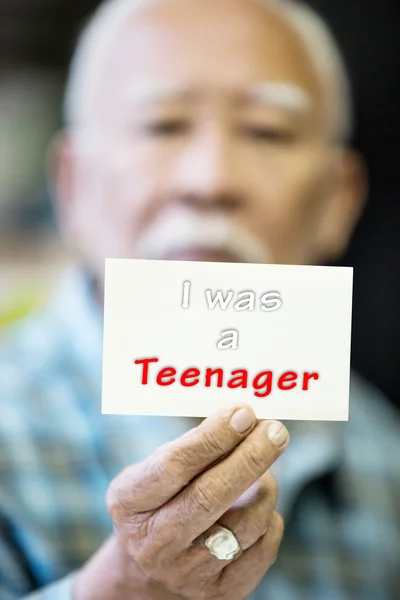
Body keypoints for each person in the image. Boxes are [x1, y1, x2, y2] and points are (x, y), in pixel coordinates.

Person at [0, 0, 399, 598]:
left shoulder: (386, 461)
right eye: (162, 125)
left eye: (268, 131)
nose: (211, 180)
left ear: (339, 200)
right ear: (73, 186)